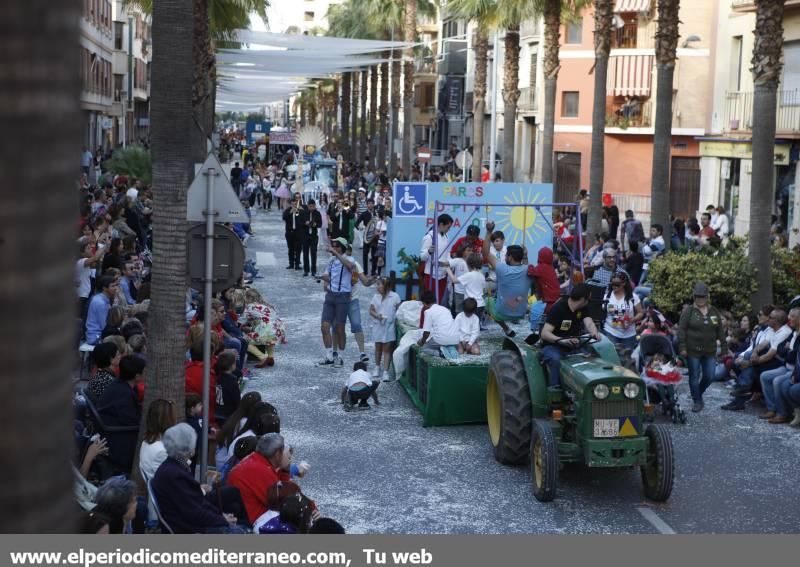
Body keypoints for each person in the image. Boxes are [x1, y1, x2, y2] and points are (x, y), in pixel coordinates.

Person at [150, 424, 247, 533]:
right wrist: (222, 520)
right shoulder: (175, 474)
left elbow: (196, 502)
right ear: (188, 448)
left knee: (234, 506)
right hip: (186, 528)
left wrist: (220, 515)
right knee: (240, 531)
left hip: (185, 521)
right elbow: (195, 511)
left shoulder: (174, 466)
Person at [723, 308, 791, 411]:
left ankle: (742, 390)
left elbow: (770, 354)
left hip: (777, 363)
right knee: (746, 359)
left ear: (777, 320)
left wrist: (749, 362)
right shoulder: (772, 329)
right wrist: (754, 353)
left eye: (770, 317)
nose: (767, 319)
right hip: (767, 361)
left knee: (748, 367)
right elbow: (762, 344)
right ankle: (742, 390)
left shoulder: (784, 332)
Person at [678, 282, 726, 412]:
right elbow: (681, 330)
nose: (700, 299)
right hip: (693, 350)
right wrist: (682, 347)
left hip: (710, 350)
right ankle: (697, 401)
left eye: (702, 297)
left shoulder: (713, 311)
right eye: (697, 297)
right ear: (694, 296)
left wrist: (724, 349)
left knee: (710, 376)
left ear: (707, 297)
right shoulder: (689, 311)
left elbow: (720, 331)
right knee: (694, 376)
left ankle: (697, 392)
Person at [226, 433, 294, 525]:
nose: (289, 456)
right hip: (249, 524)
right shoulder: (261, 470)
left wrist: (285, 470)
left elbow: (283, 493)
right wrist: (311, 509)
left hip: (244, 517)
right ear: (277, 454)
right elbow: (285, 504)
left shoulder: (256, 461)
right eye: (285, 452)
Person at [540, 284, 601, 387]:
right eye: (588, 299)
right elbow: (545, 333)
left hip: (573, 346)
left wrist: (594, 332)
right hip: (553, 346)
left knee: (592, 358)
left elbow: (589, 322)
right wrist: (561, 340)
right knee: (555, 359)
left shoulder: (583, 308)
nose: (589, 302)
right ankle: (554, 388)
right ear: (582, 299)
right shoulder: (559, 308)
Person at [97, 356, 145, 474]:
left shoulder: (120, 385)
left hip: (114, 431)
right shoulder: (125, 395)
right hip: (119, 439)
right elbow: (133, 421)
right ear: (137, 376)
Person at [482, 221, 529, 337]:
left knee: (485, 300)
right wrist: (526, 256)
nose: (505, 256)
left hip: (502, 313)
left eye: (507, 255)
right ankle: (508, 329)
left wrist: (488, 232)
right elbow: (526, 264)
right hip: (521, 313)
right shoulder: (528, 269)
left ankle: (505, 328)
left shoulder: (502, 269)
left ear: (510, 257)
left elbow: (485, 253)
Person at [318, 238, 356, 368]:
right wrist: (321, 277)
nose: (334, 248)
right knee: (324, 326)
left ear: (342, 248)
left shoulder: (349, 259)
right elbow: (329, 276)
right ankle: (329, 355)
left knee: (340, 328)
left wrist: (336, 253)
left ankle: (340, 355)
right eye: (333, 246)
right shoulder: (331, 261)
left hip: (343, 297)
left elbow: (350, 267)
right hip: (330, 295)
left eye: (337, 246)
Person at [759, 307, 799, 423]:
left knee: (777, 381)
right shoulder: (794, 333)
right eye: (789, 316)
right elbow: (781, 349)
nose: (789, 319)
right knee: (765, 376)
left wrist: (788, 350)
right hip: (787, 366)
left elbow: (792, 355)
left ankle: (782, 413)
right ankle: (772, 409)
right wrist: (788, 351)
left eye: (792, 316)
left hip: (793, 369)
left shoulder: (793, 333)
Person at [601, 271, 643, 353]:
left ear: (624, 284)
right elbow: (601, 312)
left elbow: (641, 312)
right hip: (611, 331)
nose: (614, 286)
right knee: (612, 356)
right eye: (613, 284)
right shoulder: (607, 297)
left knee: (627, 359)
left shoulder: (633, 297)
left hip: (629, 334)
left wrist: (632, 319)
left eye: (617, 284)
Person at [368, 278, 401, 381]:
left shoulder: (395, 296)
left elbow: (400, 310)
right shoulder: (375, 297)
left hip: (389, 325)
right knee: (378, 347)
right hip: (378, 324)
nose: (377, 287)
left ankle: (386, 371)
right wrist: (377, 316)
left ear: (385, 286)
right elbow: (371, 310)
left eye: (379, 284)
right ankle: (377, 367)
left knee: (387, 349)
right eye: (376, 284)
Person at [419, 214, 454, 304]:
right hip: (431, 275)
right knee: (430, 302)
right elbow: (422, 257)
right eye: (448, 227)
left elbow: (448, 253)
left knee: (438, 301)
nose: (449, 229)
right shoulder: (429, 237)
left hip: (442, 274)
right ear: (441, 224)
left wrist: (450, 263)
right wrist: (429, 252)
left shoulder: (446, 237)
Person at [86, 276, 119, 345]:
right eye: (113, 286)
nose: (116, 288)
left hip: (100, 334)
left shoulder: (103, 298)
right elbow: (105, 325)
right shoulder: (100, 302)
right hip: (96, 337)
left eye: (116, 285)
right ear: (104, 288)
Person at [214, 350, 241, 426]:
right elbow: (237, 400)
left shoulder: (218, 377)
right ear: (232, 366)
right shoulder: (232, 381)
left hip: (218, 411)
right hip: (229, 414)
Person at [447, 242, 473, 313]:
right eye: (468, 250)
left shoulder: (472, 262)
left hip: (469, 291)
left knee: (467, 310)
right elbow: (447, 264)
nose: (470, 252)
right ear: (462, 251)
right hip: (459, 291)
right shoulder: (458, 260)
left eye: (471, 250)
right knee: (458, 310)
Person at [302, 199, 323, 277]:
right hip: (305, 236)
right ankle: (306, 270)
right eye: (310, 206)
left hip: (314, 236)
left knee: (313, 253)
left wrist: (315, 224)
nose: (311, 208)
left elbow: (320, 224)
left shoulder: (317, 213)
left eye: (313, 206)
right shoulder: (304, 213)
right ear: (308, 206)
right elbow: (300, 223)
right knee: (305, 254)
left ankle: (313, 270)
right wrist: (305, 223)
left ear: (315, 206)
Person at [283, 199, 304, 271]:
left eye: (295, 204)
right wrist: (290, 213)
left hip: (298, 233)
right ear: (290, 204)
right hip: (290, 233)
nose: (294, 206)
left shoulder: (300, 211)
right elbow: (284, 218)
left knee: (298, 249)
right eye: (292, 204)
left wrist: (298, 212)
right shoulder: (287, 210)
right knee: (290, 249)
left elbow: (303, 220)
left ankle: (297, 264)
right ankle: (291, 264)